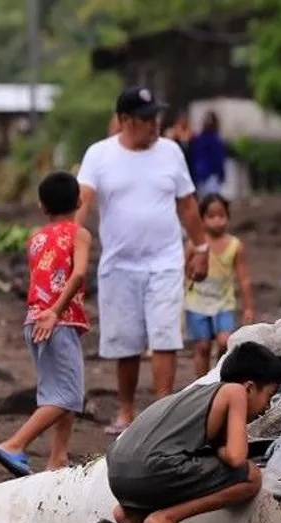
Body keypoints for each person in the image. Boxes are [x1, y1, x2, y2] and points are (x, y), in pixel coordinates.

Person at [76, 86, 211, 435]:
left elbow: (187, 204)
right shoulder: (99, 155)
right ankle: (126, 412)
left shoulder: (171, 152)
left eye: (156, 117)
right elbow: (84, 201)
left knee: (165, 335)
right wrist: (67, 240)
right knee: (126, 341)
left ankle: (163, 411)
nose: (155, 124)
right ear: (124, 120)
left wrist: (202, 248)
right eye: (146, 118)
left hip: (165, 260)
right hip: (119, 264)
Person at [97, 341, 281, 523]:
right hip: (152, 468)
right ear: (250, 387)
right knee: (251, 476)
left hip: (118, 474)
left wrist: (219, 449)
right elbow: (236, 458)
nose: (267, 408)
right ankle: (165, 519)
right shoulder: (235, 392)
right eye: (269, 397)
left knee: (184, 467)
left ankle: (130, 517)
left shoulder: (195, 394)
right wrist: (224, 450)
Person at [0, 172, 91, 477]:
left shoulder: (35, 238)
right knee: (69, 395)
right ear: (78, 201)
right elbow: (78, 274)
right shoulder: (79, 233)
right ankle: (14, 444)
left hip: (34, 320)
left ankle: (58, 459)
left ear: (41, 205)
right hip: (56, 320)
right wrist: (56, 312)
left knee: (56, 391)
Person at [185, 193, 254, 378]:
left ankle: (218, 376)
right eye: (211, 216)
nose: (217, 221)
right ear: (201, 219)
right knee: (202, 346)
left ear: (228, 217)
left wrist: (248, 308)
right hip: (196, 302)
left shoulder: (235, 246)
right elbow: (184, 272)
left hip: (223, 303)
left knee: (225, 342)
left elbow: (244, 279)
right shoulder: (194, 245)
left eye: (221, 215)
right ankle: (200, 385)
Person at [190, 111, 229, 195]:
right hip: (208, 176)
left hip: (205, 175)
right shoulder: (212, 139)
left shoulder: (201, 139)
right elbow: (218, 160)